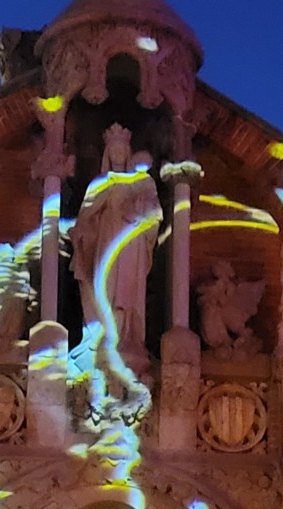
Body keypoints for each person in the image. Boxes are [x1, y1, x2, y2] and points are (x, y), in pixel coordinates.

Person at [70, 124, 162, 366]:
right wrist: (81, 230)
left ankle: (128, 337)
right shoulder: (102, 182)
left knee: (128, 291)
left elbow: (155, 215)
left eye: (122, 149)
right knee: (105, 285)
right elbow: (86, 213)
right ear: (107, 154)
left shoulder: (144, 181)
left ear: (129, 151)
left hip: (132, 244)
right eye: (114, 150)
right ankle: (102, 333)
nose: (119, 155)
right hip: (107, 239)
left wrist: (143, 215)